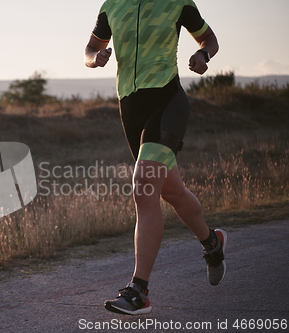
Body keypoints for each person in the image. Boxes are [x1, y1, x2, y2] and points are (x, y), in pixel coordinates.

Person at [84, 0, 226, 315]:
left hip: (167, 101)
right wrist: (97, 58)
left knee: (144, 187)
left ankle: (138, 291)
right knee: (170, 191)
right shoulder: (112, 6)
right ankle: (212, 243)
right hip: (130, 109)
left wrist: (203, 54)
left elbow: (208, 38)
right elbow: (90, 49)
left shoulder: (177, 3)